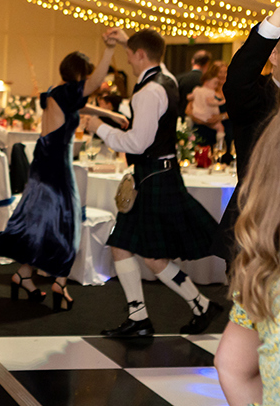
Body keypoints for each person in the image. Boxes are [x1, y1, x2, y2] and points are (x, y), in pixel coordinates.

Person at [86, 28, 222, 338]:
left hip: (152, 177)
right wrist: (126, 40)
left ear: (141, 56)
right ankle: (185, 307)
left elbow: (137, 142)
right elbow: (152, 56)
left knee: (137, 250)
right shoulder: (168, 79)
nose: (130, 62)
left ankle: (148, 317)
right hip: (163, 174)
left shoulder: (148, 92)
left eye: (130, 55)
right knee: (139, 250)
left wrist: (100, 128)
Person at [0, 37, 120, 311]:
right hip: (56, 166)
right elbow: (94, 84)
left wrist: (112, 116)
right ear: (80, 73)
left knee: (42, 222)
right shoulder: (69, 91)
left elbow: (81, 105)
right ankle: (59, 283)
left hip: (43, 162)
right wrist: (109, 49)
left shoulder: (57, 91)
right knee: (66, 225)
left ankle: (24, 275)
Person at [206, 7, 280, 406]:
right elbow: (236, 77)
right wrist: (275, 20)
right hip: (261, 246)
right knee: (248, 361)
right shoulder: (257, 97)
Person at [188, 64, 226, 143]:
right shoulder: (204, 91)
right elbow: (188, 110)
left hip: (224, 129)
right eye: (220, 72)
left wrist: (222, 116)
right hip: (203, 129)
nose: (223, 75)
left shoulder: (231, 91)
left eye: (226, 72)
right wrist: (201, 119)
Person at [177, 49, 212, 115]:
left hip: (180, 118)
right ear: (207, 64)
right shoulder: (206, 81)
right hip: (200, 118)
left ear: (192, 61)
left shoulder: (179, 78)